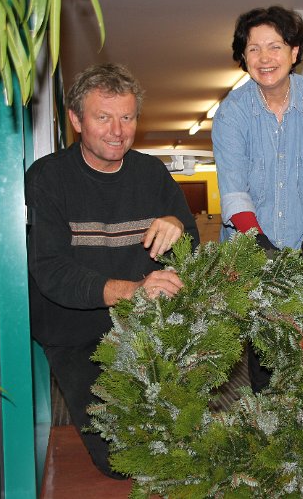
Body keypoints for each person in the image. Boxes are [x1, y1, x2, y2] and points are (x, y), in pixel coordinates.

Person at [26, 63, 199, 478]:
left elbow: (191, 240)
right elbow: (51, 271)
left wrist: (178, 226)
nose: (117, 130)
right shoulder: (48, 178)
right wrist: (132, 290)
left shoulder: (151, 173)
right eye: (103, 117)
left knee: (187, 436)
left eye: (127, 117)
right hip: (75, 334)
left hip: (147, 329)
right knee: (122, 459)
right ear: (75, 120)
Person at [212, 6, 303, 392]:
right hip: (251, 247)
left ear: (294, 52)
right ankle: (270, 437)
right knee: (264, 351)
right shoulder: (231, 114)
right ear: (243, 57)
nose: (264, 58)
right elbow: (234, 188)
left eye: (274, 47)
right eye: (253, 49)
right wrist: (258, 242)